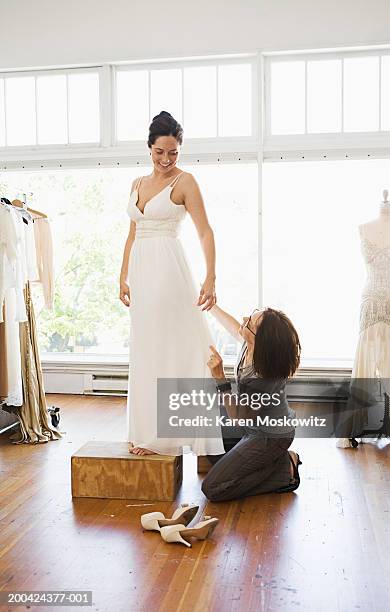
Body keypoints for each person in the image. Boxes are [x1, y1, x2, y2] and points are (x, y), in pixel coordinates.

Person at [120, 111, 225, 457]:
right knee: (146, 347)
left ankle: (164, 438)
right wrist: (122, 275)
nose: (166, 159)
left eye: (173, 153)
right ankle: (145, 430)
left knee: (169, 347)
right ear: (149, 148)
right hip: (141, 271)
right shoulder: (136, 184)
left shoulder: (185, 182)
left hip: (168, 268)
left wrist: (210, 276)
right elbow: (133, 232)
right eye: (160, 152)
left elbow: (205, 231)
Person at [201, 305, 302, 501]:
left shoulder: (263, 376)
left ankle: (284, 469)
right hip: (252, 425)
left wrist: (220, 378)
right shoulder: (252, 345)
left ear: (260, 338)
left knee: (213, 488)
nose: (244, 319)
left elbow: (238, 417)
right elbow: (233, 326)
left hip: (270, 436)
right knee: (211, 447)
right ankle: (272, 460)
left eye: (250, 322)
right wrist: (211, 306)